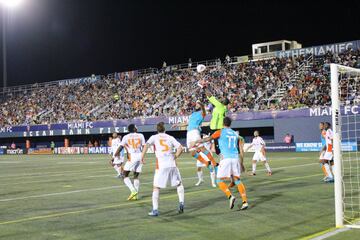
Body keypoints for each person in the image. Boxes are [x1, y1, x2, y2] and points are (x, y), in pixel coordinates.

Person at [196, 117, 248, 210]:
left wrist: (198, 141)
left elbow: (208, 139)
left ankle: (230, 196)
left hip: (226, 158)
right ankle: (245, 202)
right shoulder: (235, 134)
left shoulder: (220, 131)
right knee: (237, 180)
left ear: (223, 123)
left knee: (219, 181)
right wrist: (242, 163)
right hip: (235, 158)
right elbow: (240, 148)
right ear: (230, 124)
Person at [141, 122, 184, 217]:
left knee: (156, 187)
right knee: (179, 184)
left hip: (161, 165)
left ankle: (155, 210)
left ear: (157, 130)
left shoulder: (154, 137)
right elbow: (180, 148)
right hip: (172, 164)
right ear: (165, 130)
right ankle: (181, 203)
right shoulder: (170, 137)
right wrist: (176, 156)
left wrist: (142, 157)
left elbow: (146, 146)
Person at [172, 101, 217, 186]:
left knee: (202, 149)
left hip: (195, 132)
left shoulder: (202, 113)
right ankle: (206, 163)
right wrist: (177, 125)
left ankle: (213, 162)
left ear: (200, 106)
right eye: (196, 104)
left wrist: (202, 104)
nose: (196, 105)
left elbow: (204, 111)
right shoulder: (192, 115)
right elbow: (187, 123)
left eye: (197, 105)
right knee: (192, 153)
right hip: (189, 133)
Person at [115, 124, 145, 200]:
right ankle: (135, 195)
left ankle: (133, 191)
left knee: (124, 175)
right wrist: (142, 156)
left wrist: (115, 154)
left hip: (132, 156)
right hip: (140, 155)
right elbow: (144, 146)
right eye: (136, 127)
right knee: (136, 176)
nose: (137, 128)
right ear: (134, 129)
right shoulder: (141, 135)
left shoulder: (126, 137)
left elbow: (121, 147)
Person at [204, 86, 229, 155]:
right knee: (217, 144)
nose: (221, 99)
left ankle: (221, 158)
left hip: (216, 128)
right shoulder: (223, 107)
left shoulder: (219, 105)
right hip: (215, 127)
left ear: (224, 102)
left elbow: (210, 96)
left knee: (218, 147)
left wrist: (204, 87)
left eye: (222, 99)